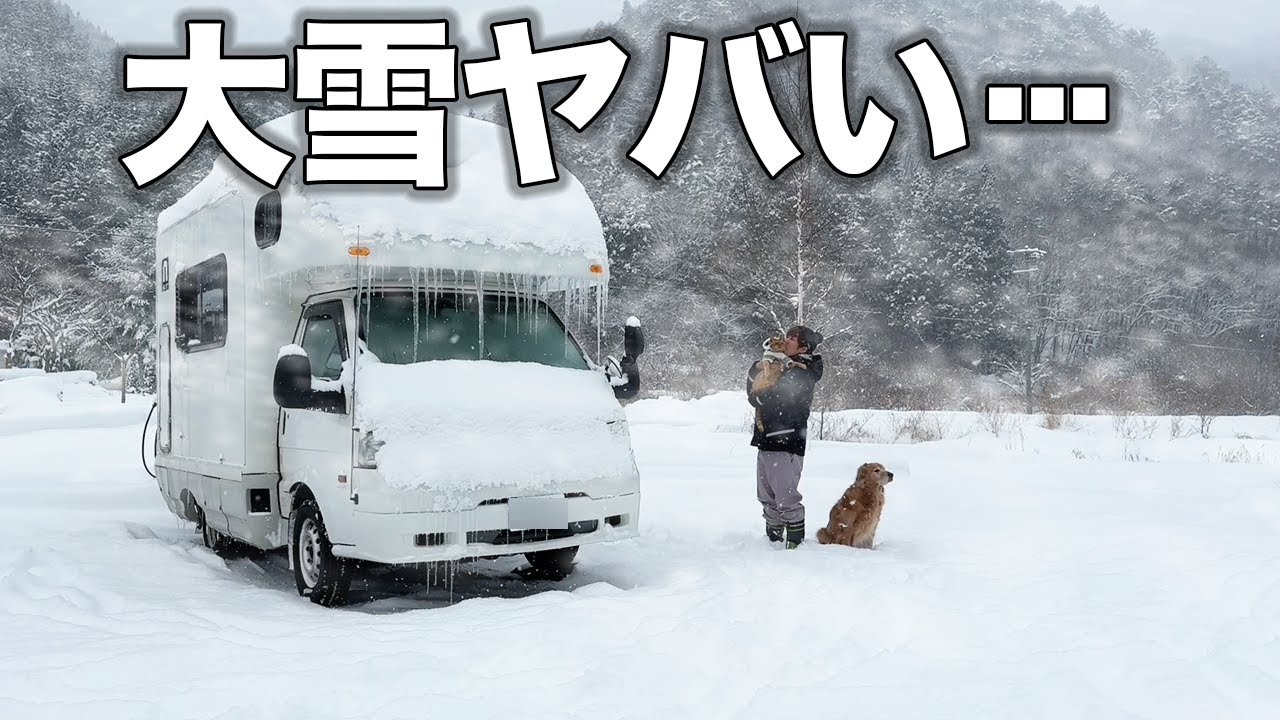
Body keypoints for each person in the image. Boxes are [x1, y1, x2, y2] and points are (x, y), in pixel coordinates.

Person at [746, 325, 824, 548]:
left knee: (785, 496)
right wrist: (758, 370)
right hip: (767, 437)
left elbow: (773, 397)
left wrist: (759, 396)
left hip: (786, 439)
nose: (785, 340)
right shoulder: (780, 365)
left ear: (802, 347)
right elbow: (754, 392)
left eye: (792, 338)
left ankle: (795, 546)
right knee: (767, 494)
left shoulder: (802, 372)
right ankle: (773, 541)